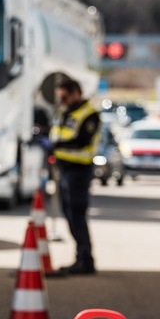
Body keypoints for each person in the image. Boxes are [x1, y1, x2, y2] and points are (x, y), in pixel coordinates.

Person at [49, 79, 100, 275]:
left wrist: (56, 146)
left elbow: (81, 141)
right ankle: (81, 258)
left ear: (76, 93)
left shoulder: (89, 114)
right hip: (65, 169)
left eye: (64, 96)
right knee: (69, 214)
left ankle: (85, 260)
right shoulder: (66, 113)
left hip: (79, 170)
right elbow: (58, 135)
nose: (62, 100)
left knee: (77, 215)